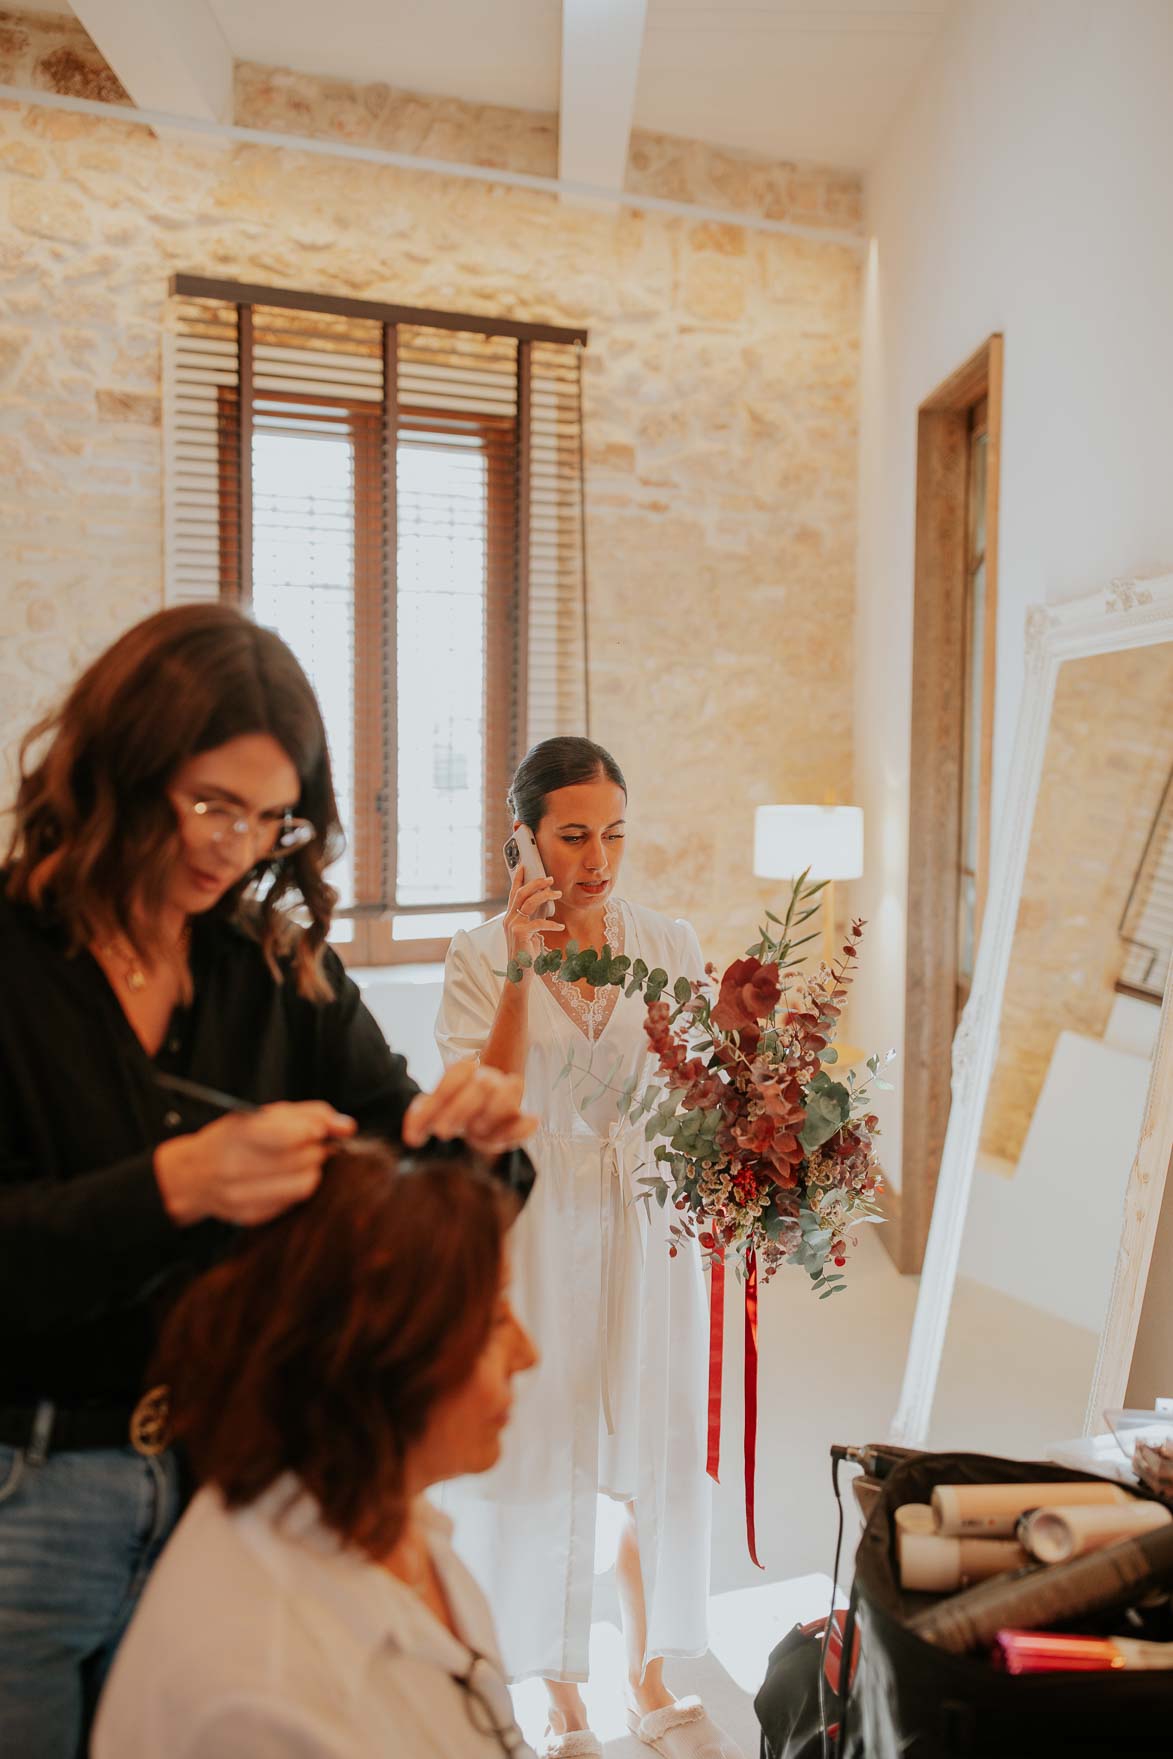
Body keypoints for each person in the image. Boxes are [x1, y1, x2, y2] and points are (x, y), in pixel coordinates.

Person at [0, 603, 535, 1759]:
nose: (233, 847)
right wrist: (174, 1184)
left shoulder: (274, 969)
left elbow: (414, 1162)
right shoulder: (12, 964)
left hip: (225, 1480)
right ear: (118, 762)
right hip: (21, 1492)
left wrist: (474, 1136)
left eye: (268, 818)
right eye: (207, 803)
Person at [436, 737, 743, 1759]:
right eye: (572, 835)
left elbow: (704, 1092)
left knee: (646, 1441)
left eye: (613, 832)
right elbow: (483, 1101)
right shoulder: (477, 957)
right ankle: (562, 1687)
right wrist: (525, 971)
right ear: (521, 839)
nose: (598, 857)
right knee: (548, 1440)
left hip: (648, 1221)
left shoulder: (668, 940)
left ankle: (646, 1669)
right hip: (534, 1221)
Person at [92, 1137, 540, 1758]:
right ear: (383, 1352)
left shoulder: (385, 1508)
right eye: (492, 1322)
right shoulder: (260, 1698)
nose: (528, 1354)